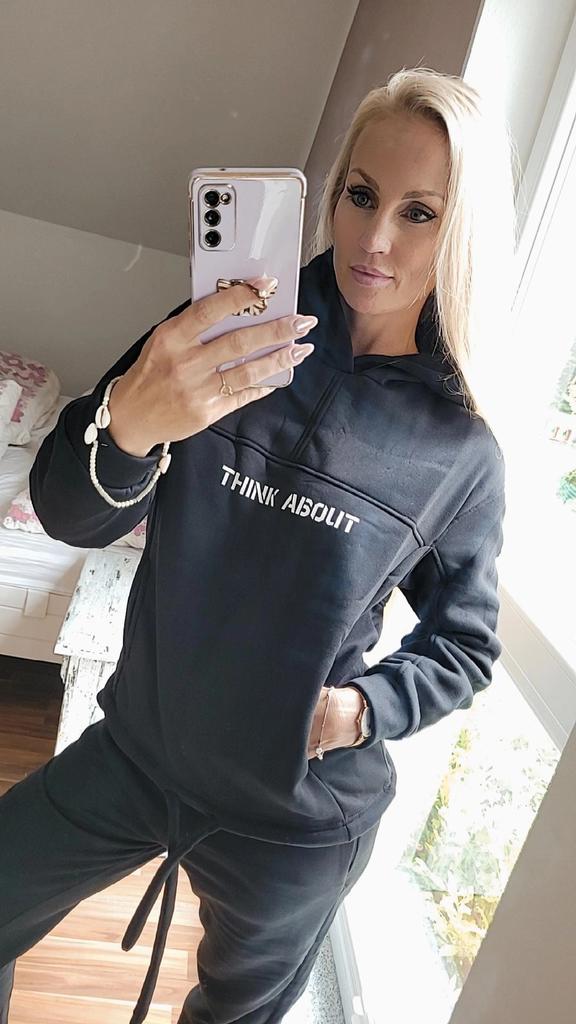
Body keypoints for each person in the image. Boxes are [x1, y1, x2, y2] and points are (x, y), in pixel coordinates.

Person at [0, 66, 518, 1024]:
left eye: (419, 213)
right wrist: (129, 426)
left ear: (463, 236)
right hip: (138, 751)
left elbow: (465, 645)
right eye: (360, 195)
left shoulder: (461, 450)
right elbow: (69, 514)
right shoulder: (215, 334)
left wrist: (360, 710)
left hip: (295, 818)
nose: (372, 239)